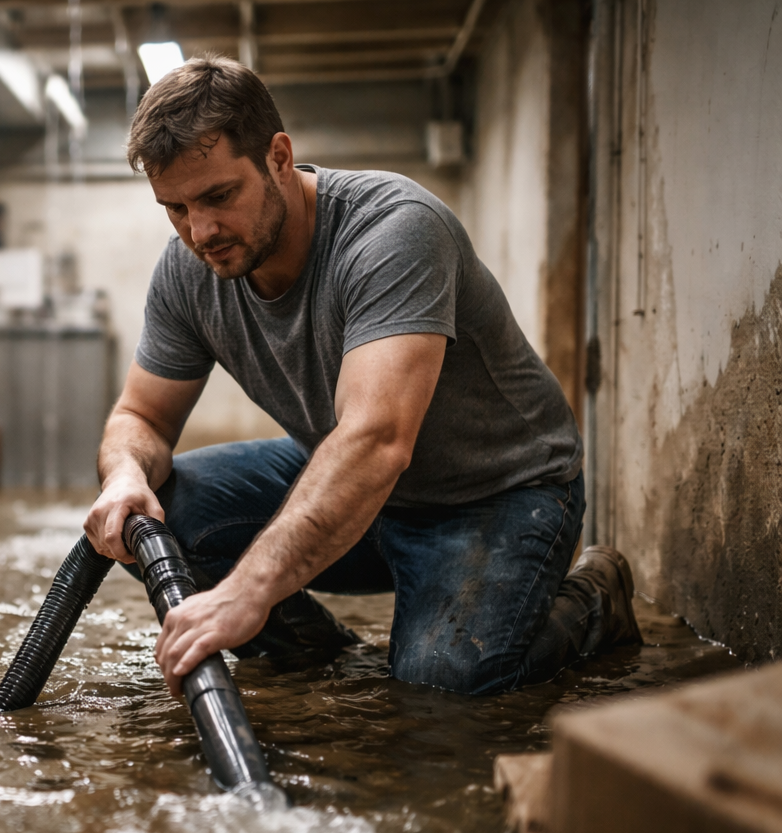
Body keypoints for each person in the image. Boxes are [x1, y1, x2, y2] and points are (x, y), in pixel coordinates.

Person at [84, 56, 643, 698]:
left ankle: (594, 603)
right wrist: (127, 475)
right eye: (175, 208)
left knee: (442, 683)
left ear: (278, 157)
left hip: (497, 493)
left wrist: (243, 592)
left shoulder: (393, 231)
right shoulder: (188, 270)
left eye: (217, 196)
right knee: (160, 515)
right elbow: (142, 418)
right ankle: (317, 654)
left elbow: (376, 440)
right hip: (362, 485)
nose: (200, 231)